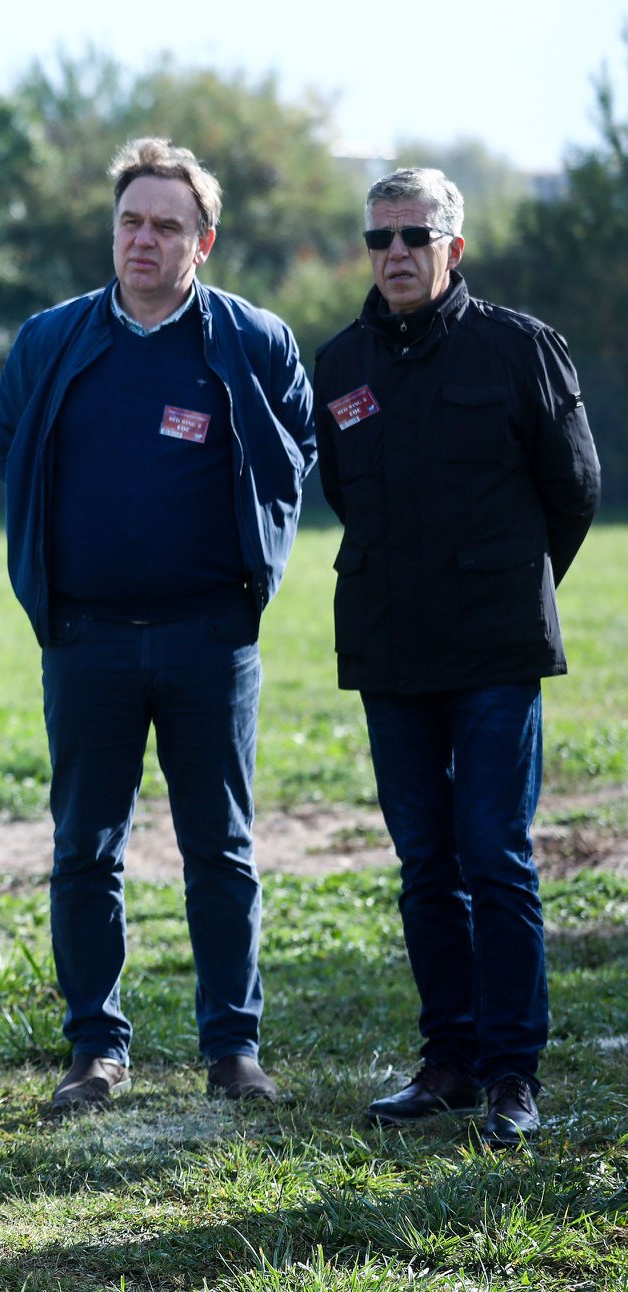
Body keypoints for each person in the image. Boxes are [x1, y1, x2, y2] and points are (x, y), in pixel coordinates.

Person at [0, 139, 317, 1116]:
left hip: (211, 636)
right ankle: (96, 1048)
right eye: (131, 220)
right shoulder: (52, 339)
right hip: (86, 637)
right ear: (112, 229)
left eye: (167, 225)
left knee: (222, 846)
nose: (144, 238)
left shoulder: (250, 339)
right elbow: (1, 441)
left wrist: (253, 579)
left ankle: (233, 1048)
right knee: (86, 846)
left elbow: (293, 454)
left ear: (201, 241)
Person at [315, 168, 600, 1147]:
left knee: (498, 855)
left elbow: (574, 492)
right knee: (425, 862)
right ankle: (449, 1060)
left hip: (494, 649)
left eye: (415, 235)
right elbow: (347, 497)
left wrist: (506, 584)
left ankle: (514, 1074)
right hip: (390, 650)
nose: (395, 253)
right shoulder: (340, 365)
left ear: (454, 246)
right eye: (379, 237)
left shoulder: (520, 349)